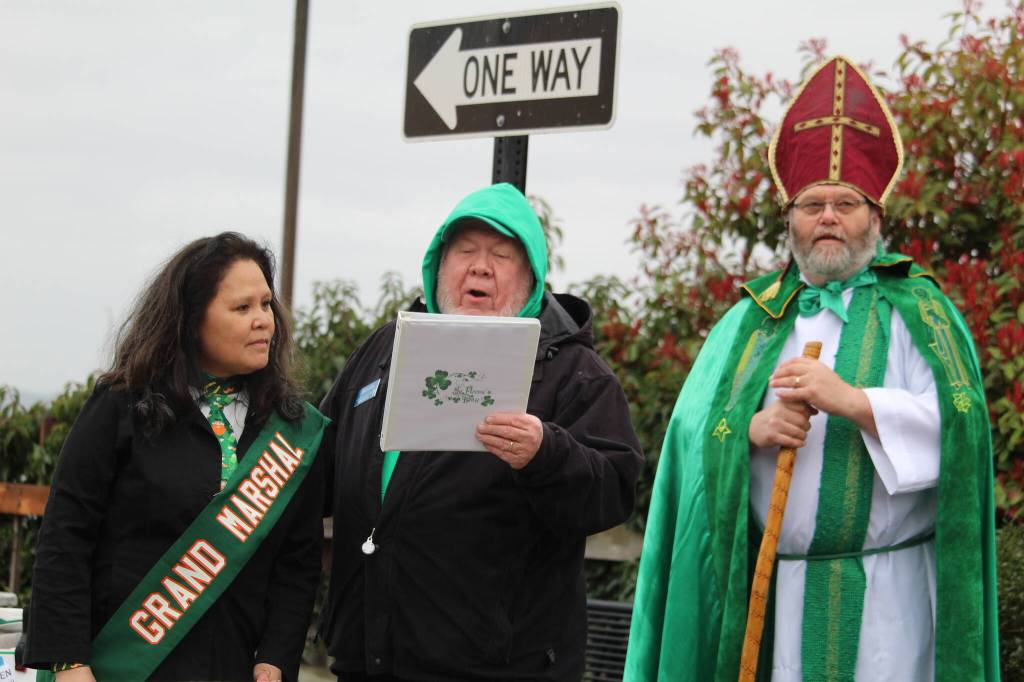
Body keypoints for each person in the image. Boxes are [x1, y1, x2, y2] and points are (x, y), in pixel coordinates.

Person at [625, 56, 999, 681]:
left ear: (875, 218)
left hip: (891, 597)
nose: (828, 216)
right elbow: (689, 436)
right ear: (790, 219)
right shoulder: (749, 320)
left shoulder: (920, 310)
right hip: (774, 596)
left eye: (845, 203)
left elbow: (963, 432)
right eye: (811, 204)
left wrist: (854, 401)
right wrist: (749, 431)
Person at [318, 182, 644, 681]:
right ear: (438, 265)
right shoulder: (384, 349)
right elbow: (319, 466)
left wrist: (545, 453)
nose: (480, 267)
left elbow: (613, 491)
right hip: (366, 660)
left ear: (532, 276)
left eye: (502, 255)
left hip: (499, 669)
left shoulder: (576, 373)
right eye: (465, 251)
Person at [25, 232, 329, 682]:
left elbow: (298, 561)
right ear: (191, 320)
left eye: (266, 304)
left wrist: (276, 656)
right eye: (242, 308)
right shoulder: (121, 405)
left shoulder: (293, 428)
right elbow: (66, 535)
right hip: (117, 665)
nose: (264, 320)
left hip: (233, 666)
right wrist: (68, 662)